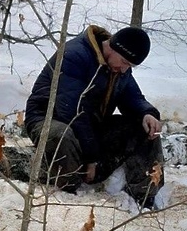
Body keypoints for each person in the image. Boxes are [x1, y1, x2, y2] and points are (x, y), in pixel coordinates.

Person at [24, 25, 164, 208]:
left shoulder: (119, 66)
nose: (124, 70)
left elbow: (133, 98)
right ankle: (68, 193)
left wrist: (148, 113)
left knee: (144, 129)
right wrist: (92, 158)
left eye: (129, 66)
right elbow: (71, 111)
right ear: (113, 47)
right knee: (62, 135)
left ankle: (143, 198)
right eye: (124, 62)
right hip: (48, 119)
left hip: (90, 126)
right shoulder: (75, 55)